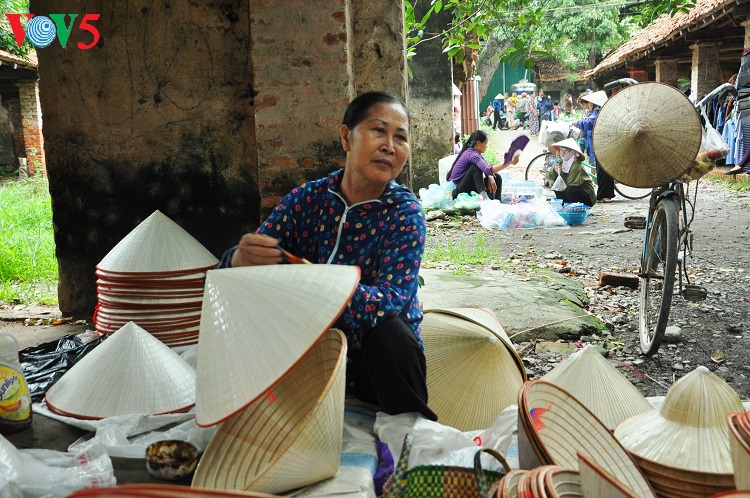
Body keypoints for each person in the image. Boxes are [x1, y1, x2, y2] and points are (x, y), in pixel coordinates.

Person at [218, 91, 437, 421]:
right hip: (304, 351)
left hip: (371, 361)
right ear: (346, 137)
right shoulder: (307, 200)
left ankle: (405, 431)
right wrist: (239, 260)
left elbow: (391, 299)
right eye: (379, 130)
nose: (390, 146)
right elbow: (238, 266)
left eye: (401, 138)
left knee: (392, 336)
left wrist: (311, 284)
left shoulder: (405, 215)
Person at [446, 129, 520, 201]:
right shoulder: (472, 154)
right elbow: (488, 169)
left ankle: (497, 202)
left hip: (466, 186)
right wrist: (509, 162)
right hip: (456, 191)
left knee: (497, 177)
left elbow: (487, 168)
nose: (486, 146)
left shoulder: (475, 153)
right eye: (486, 143)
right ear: (478, 143)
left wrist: (490, 177)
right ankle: (483, 196)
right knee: (475, 167)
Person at [576, 90, 614, 202]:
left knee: (603, 171)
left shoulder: (599, 111)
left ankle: (606, 196)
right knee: (601, 170)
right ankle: (603, 195)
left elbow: (590, 123)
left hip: (603, 143)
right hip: (601, 143)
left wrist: (578, 123)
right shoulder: (597, 110)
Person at [545, 138, 597, 207]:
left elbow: (571, 184)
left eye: (566, 151)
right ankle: (564, 205)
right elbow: (549, 177)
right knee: (557, 186)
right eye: (561, 150)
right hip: (569, 191)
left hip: (586, 197)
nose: (563, 153)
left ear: (572, 152)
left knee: (570, 190)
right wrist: (554, 171)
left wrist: (561, 175)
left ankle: (574, 207)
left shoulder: (577, 165)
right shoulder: (561, 162)